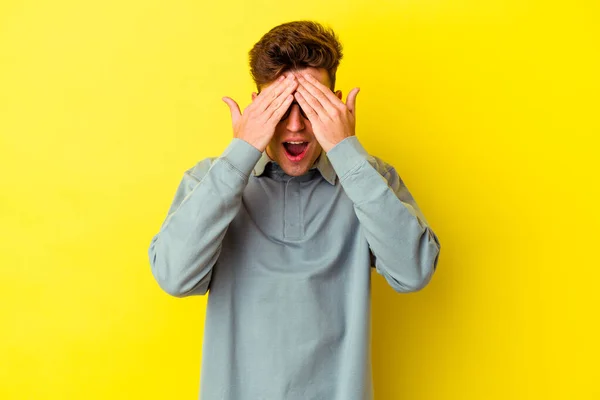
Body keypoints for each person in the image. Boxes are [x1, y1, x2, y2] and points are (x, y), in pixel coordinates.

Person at [148, 20, 441, 400]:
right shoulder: (209, 180)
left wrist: (347, 152)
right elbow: (174, 277)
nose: (296, 126)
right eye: (280, 108)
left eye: (312, 107)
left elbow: (414, 271)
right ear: (257, 108)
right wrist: (240, 155)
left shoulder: (370, 179)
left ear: (336, 106)